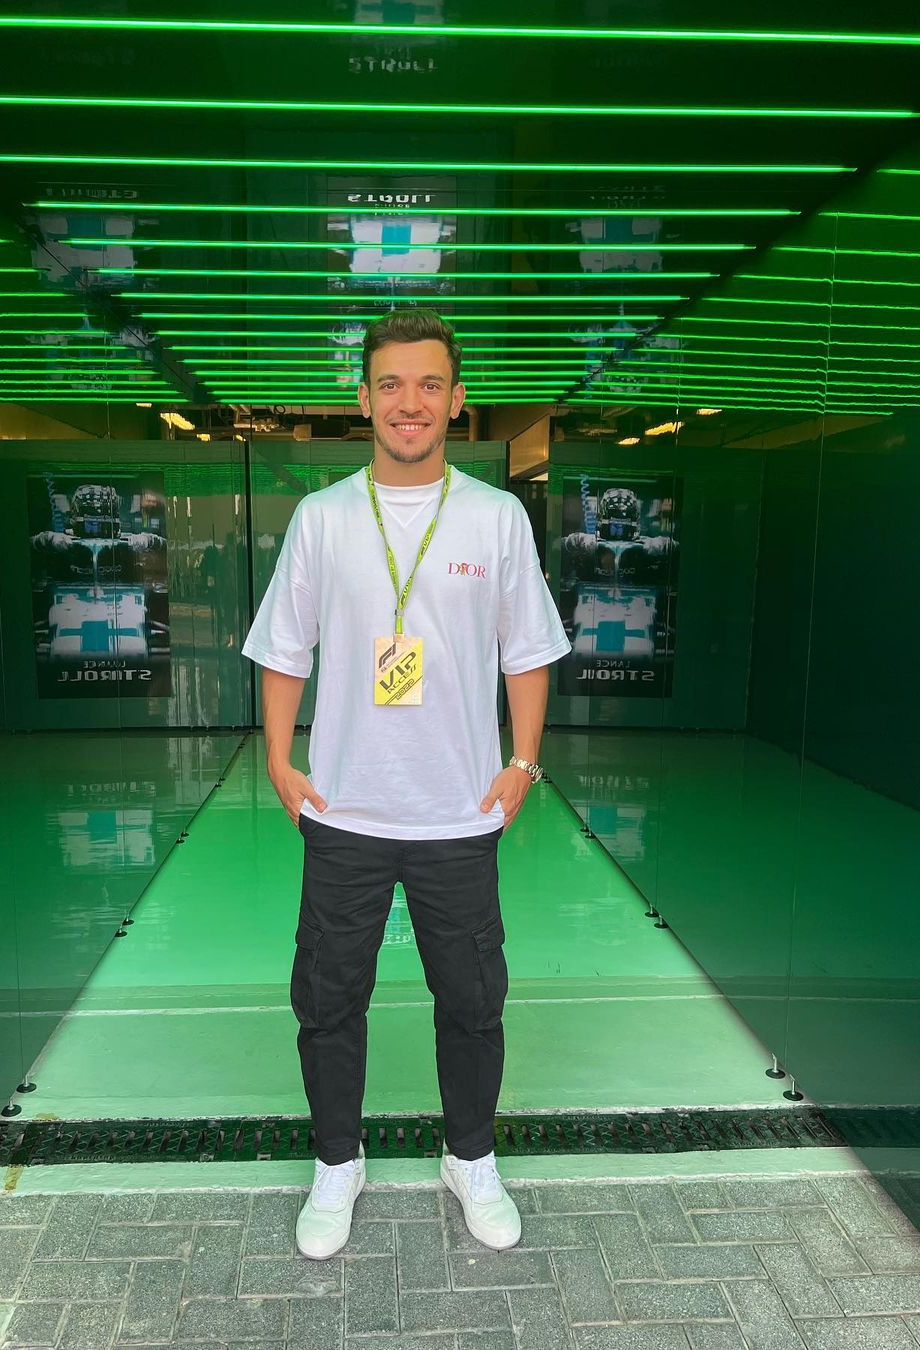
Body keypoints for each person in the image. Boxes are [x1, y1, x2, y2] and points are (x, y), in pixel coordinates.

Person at [242, 309, 571, 1260]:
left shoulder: (496, 518)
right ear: (364, 399)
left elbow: (528, 651)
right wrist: (278, 758)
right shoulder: (323, 518)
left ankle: (470, 1158)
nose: (410, 402)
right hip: (345, 808)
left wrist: (523, 762)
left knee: (472, 1000)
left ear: (456, 399)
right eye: (391, 384)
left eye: (429, 384)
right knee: (327, 999)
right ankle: (336, 1163)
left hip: (458, 814)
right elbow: (284, 648)